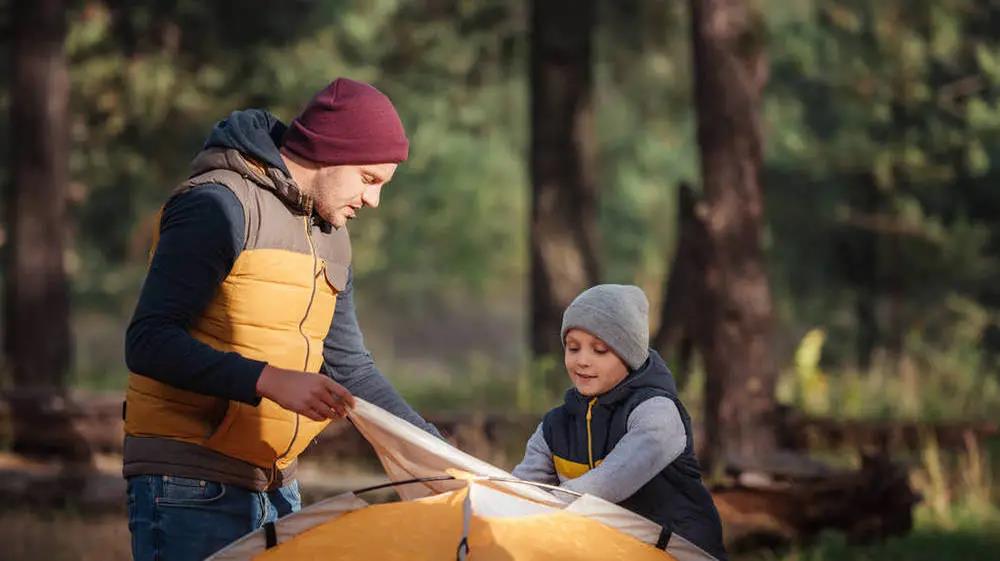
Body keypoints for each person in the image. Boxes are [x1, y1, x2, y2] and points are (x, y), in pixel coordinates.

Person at [122, 77, 441, 561]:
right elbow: (148, 342)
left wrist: (441, 459)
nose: (372, 200)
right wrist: (269, 380)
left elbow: (351, 368)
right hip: (188, 484)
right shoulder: (216, 205)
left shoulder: (331, 231)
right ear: (331, 152)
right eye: (368, 179)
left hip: (277, 487)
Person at [512, 284, 728, 560]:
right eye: (573, 348)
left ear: (630, 355)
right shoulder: (555, 426)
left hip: (675, 553)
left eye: (599, 350)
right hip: (609, 551)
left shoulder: (657, 414)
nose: (582, 361)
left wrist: (546, 506)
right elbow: (518, 492)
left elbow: (604, 486)